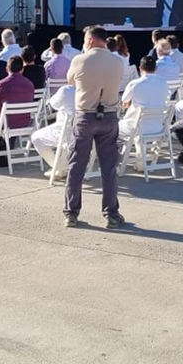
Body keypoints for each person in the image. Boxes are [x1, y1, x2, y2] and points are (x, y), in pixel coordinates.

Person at [63, 25, 124, 229]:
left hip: (85, 116)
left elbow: (70, 81)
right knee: (109, 168)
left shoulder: (79, 60)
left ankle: (71, 213)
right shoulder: (118, 61)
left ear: (89, 40)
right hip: (109, 115)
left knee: (76, 166)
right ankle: (111, 214)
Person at [30, 84, 76, 179]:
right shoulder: (94, 89)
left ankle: (58, 167)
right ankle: (61, 168)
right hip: (89, 133)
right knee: (65, 143)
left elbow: (53, 104)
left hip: (67, 132)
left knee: (36, 137)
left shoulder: (67, 90)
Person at [119, 56, 168, 139]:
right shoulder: (164, 83)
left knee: (111, 127)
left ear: (140, 68)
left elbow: (124, 101)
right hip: (158, 128)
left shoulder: (134, 84)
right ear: (156, 68)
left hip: (136, 128)